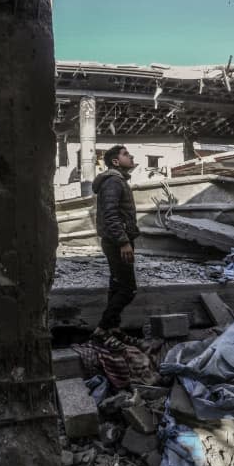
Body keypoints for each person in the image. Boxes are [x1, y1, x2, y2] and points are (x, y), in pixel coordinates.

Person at [91, 145, 141, 349]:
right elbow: (111, 215)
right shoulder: (113, 182)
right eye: (126, 154)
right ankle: (102, 330)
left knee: (117, 285)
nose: (131, 156)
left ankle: (113, 329)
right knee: (129, 289)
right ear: (115, 161)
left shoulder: (117, 181)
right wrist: (123, 242)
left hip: (116, 241)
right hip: (116, 242)